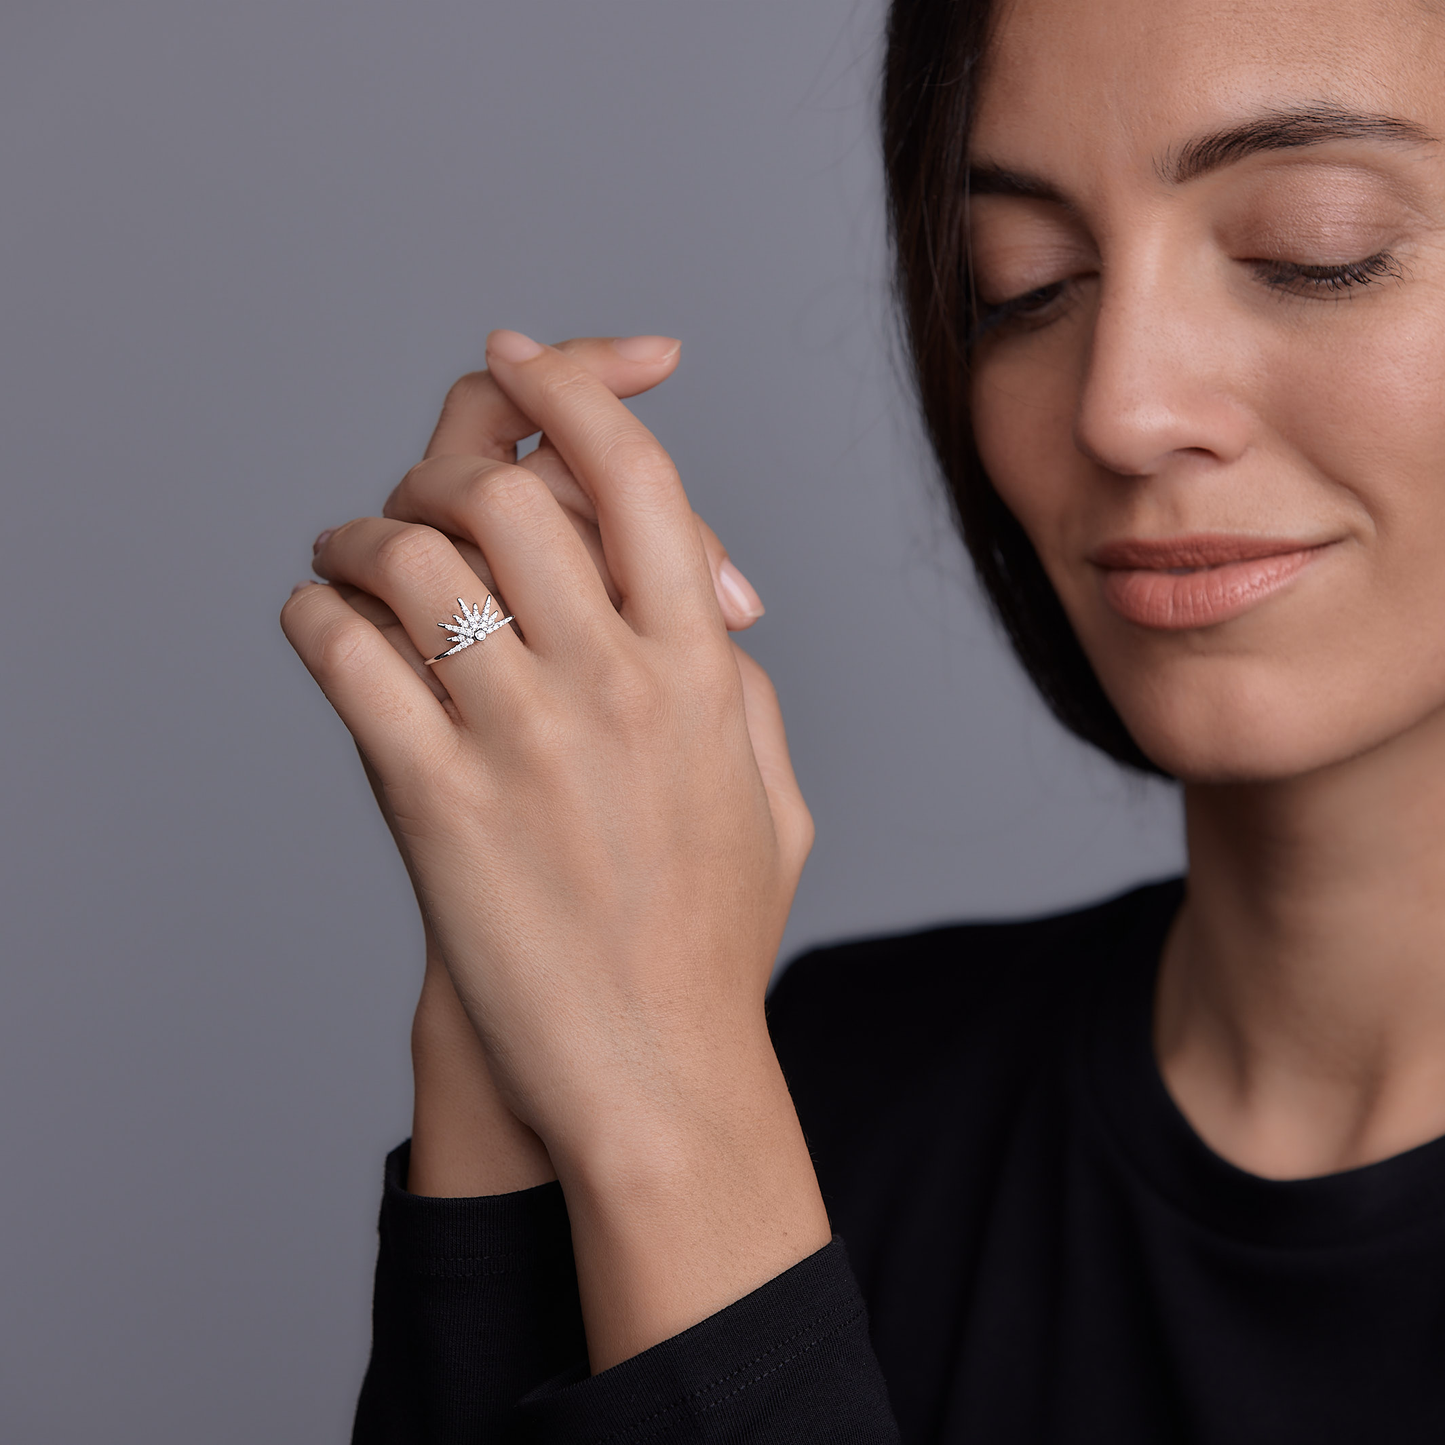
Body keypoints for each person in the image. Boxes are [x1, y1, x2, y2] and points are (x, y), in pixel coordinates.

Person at [280, 0, 1445, 1438]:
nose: (1122, 408)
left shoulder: (726, 1103)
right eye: (1021, 284)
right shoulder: (839, 1081)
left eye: (1314, 251)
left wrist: (675, 1121)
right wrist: (523, 997)